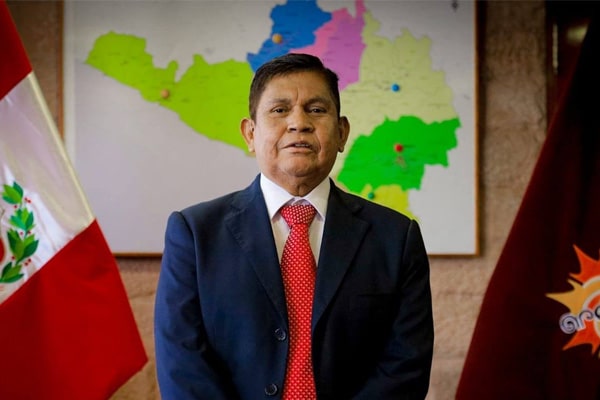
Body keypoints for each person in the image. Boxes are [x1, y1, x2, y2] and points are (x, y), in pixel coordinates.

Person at [154, 53, 434, 400]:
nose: (299, 123)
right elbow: (182, 366)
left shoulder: (395, 238)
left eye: (316, 109)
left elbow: (406, 366)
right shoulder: (195, 235)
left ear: (342, 132)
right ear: (250, 133)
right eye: (279, 110)